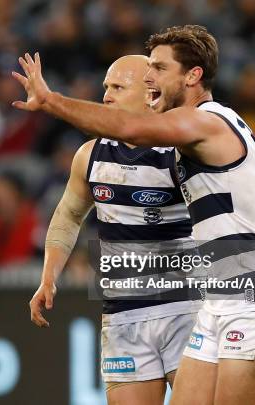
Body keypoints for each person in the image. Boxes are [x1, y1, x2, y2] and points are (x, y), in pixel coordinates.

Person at [14, 25, 255, 405]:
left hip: (254, 293)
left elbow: (134, 128)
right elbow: (72, 211)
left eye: (160, 68)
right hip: (215, 298)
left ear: (193, 75)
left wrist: (52, 102)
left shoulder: (206, 121)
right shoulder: (184, 132)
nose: (151, 77)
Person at [29, 55, 200, 405]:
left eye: (118, 87)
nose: (106, 95)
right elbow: (68, 216)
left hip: (187, 308)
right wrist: (49, 276)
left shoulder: (183, 150)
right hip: (123, 314)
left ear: (150, 94)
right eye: (106, 86)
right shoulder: (89, 156)